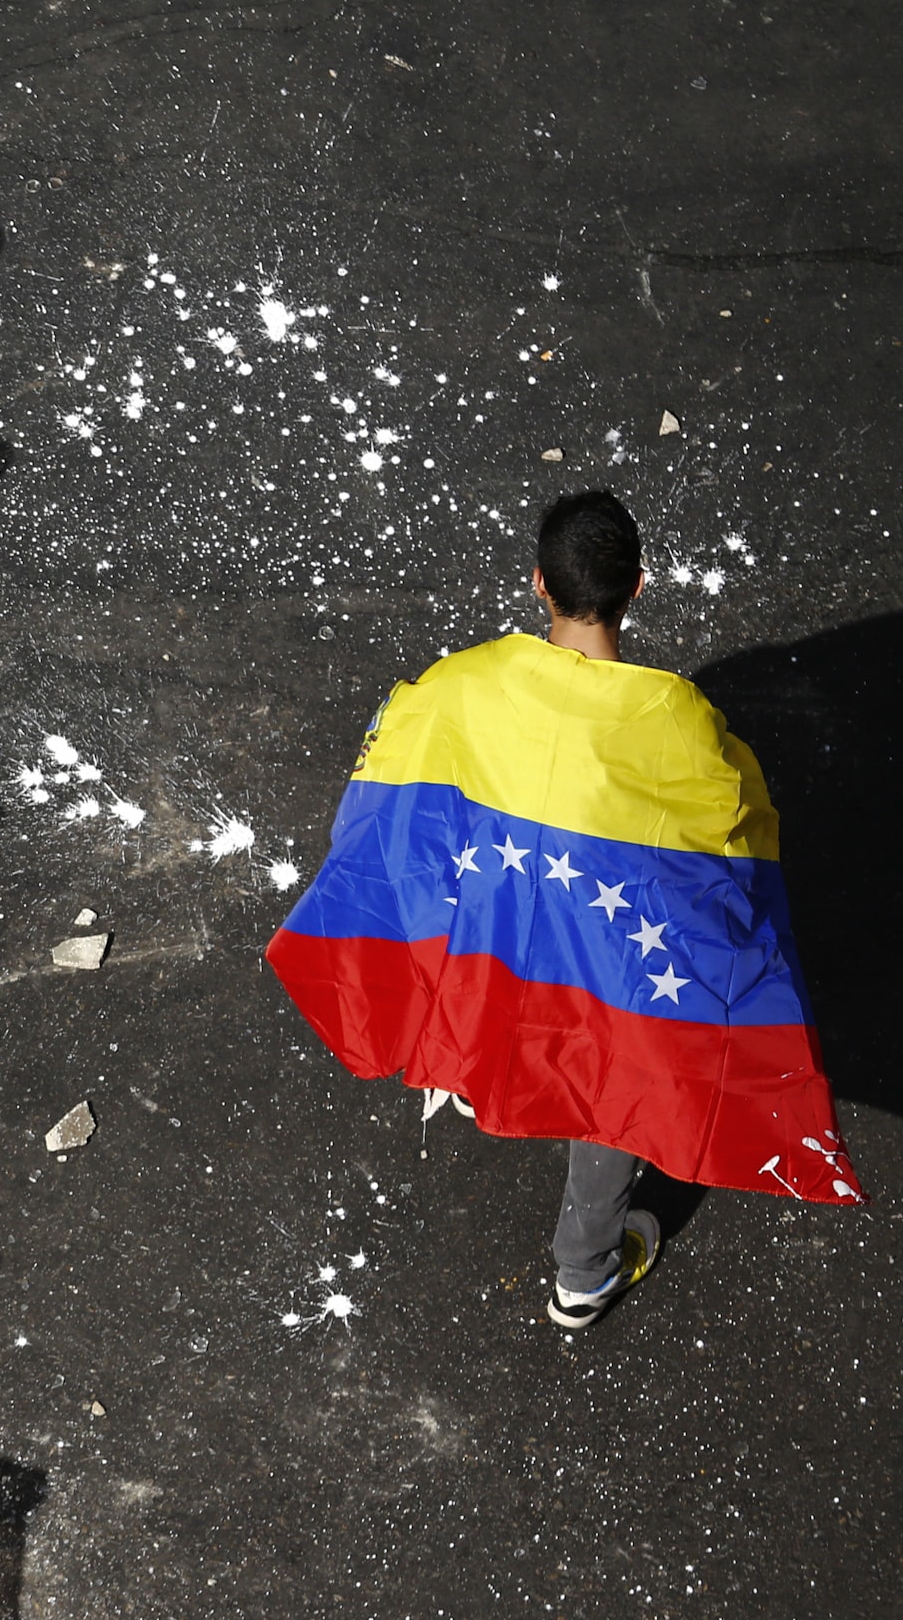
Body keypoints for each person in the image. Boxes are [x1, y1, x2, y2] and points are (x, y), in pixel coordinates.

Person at [267, 492, 853, 1333]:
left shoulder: (464, 682)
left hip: (494, 930)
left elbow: (395, 786)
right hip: (602, 953)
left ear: (539, 583)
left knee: (495, 987)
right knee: (608, 1072)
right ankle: (584, 1275)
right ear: (639, 588)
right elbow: (732, 836)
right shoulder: (678, 720)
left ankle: (474, 1078)